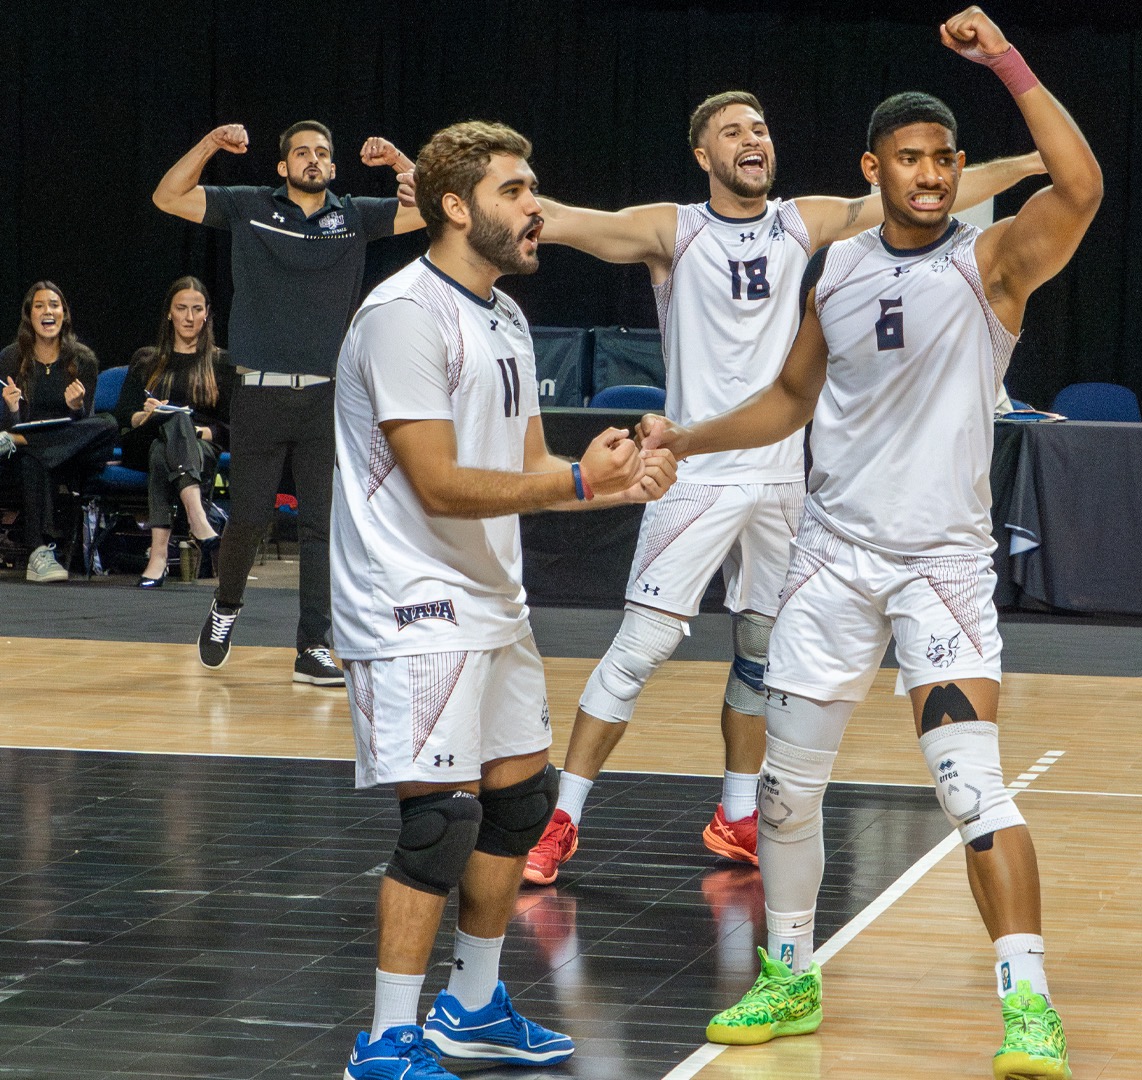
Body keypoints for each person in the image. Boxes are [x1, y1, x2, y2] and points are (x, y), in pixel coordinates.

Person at [642, 8, 1099, 1075]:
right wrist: (692, 436)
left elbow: (1079, 188)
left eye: (944, 158)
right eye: (912, 158)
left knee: (971, 788)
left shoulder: (992, 267)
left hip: (938, 571)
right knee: (786, 792)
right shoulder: (837, 268)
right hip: (832, 564)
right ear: (873, 168)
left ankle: (1028, 1003)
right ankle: (789, 974)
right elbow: (789, 400)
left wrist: (1006, 63)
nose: (933, 174)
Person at [521, 92, 1044, 882]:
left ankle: (736, 814)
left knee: (764, 658)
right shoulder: (676, 228)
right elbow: (567, 220)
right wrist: (449, 189)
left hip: (786, 478)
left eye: (760, 127)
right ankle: (563, 816)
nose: (751, 139)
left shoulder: (809, 221)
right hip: (695, 474)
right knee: (640, 650)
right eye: (731, 132)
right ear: (704, 155)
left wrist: (1033, 163)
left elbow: (930, 187)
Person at [331, 120, 677, 1080]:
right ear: (456, 206)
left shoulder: (508, 318)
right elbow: (438, 482)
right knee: (439, 825)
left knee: (517, 808)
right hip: (409, 597)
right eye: (517, 192)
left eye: (535, 190)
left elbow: (525, 465)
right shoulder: (403, 313)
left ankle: (470, 1007)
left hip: (490, 594)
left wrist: (602, 478)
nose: (537, 210)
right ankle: (386, 1040)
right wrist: (572, 489)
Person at [152, 120, 424, 683]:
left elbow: (434, 213)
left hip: (327, 396)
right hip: (258, 393)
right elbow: (167, 195)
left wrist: (400, 161)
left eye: (323, 152)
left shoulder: (354, 215)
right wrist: (207, 144)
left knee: (320, 526)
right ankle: (226, 607)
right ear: (282, 167)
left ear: (332, 166)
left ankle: (313, 646)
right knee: (249, 519)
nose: (314, 159)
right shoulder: (248, 205)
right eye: (302, 152)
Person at [115, 276, 239, 587]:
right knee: (170, 422)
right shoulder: (147, 359)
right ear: (169, 313)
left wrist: (195, 433)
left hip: (198, 448)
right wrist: (144, 414)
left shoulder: (221, 363)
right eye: (181, 308)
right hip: (144, 440)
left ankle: (157, 558)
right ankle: (197, 517)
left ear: (207, 313)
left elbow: (233, 426)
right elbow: (121, 416)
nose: (188, 317)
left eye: (196, 309)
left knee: (168, 445)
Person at [0, 281, 119, 583]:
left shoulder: (83, 360)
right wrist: (12, 410)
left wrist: (76, 407)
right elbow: (9, 422)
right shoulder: (11, 358)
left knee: (108, 423)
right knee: (32, 460)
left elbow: (86, 424)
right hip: (29, 456)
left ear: (64, 313)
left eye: (54, 305)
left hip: (72, 451)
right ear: (29, 315)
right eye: (39, 305)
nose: (47, 311)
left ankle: (23, 442)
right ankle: (39, 553)